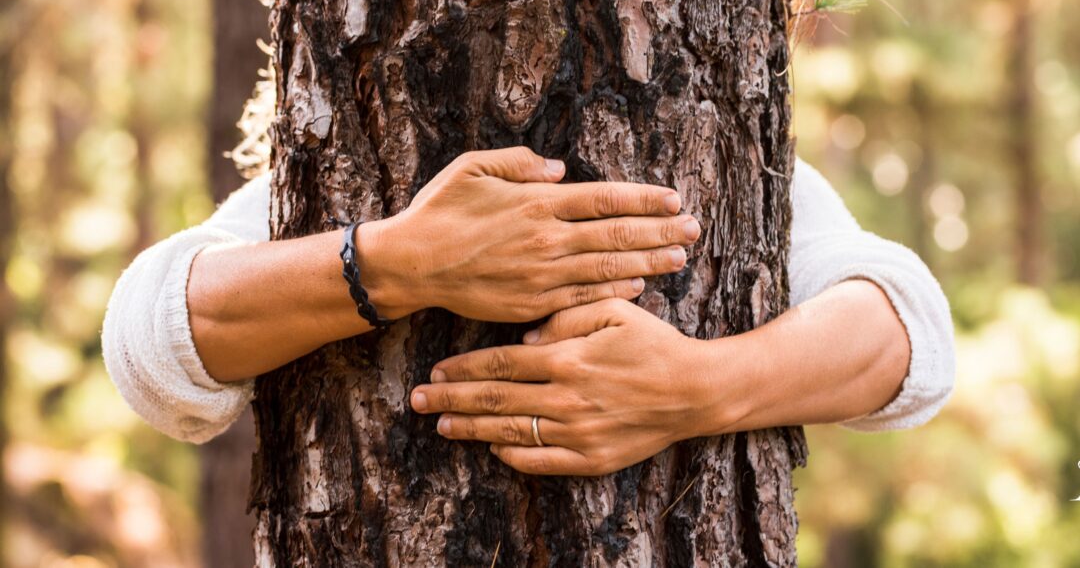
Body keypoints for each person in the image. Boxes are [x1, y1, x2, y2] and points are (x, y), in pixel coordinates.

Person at [102, 146, 954, 476]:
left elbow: (907, 334)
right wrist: (402, 261)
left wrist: (693, 386)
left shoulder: (733, 159)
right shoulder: (338, 155)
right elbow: (147, 343)